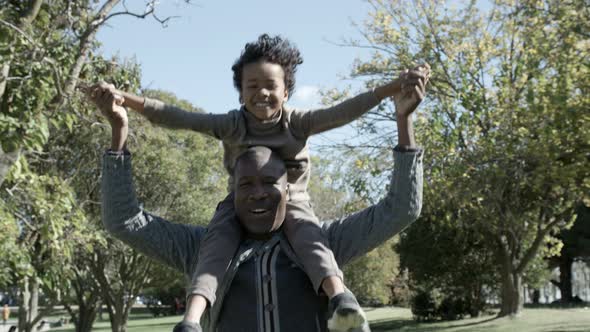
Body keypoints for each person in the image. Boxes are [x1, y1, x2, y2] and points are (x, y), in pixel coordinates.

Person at [91, 34, 429, 332]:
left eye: (270, 182)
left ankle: (342, 300)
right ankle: (190, 322)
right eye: (245, 183)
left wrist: (403, 117)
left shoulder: (325, 242)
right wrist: (120, 126)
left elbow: (401, 208)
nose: (257, 193)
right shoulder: (202, 246)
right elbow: (124, 218)